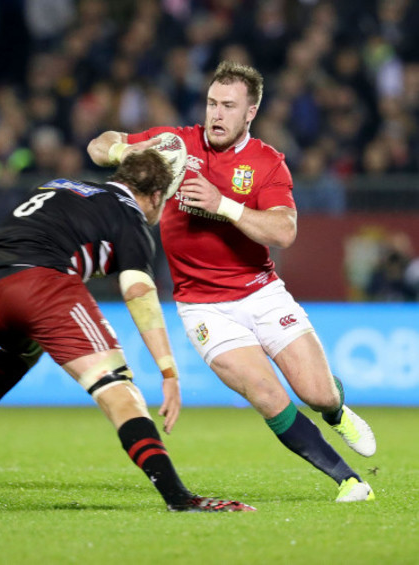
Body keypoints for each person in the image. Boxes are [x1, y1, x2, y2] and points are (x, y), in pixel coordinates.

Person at [87, 61, 377, 503]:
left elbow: (284, 231)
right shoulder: (175, 144)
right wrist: (127, 153)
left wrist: (224, 204)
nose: (216, 115)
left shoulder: (266, 163)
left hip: (261, 293)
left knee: (315, 392)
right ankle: (349, 480)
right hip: (202, 307)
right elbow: (98, 144)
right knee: (265, 392)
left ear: (251, 112)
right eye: (211, 104)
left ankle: (336, 410)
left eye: (228, 106)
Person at [0, 148, 255, 513]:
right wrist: (168, 370)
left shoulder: (61, 189)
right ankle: (179, 498)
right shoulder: (130, 218)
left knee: (26, 346)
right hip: (38, 286)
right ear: (155, 196)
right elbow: (138, 292)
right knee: (119, 391)